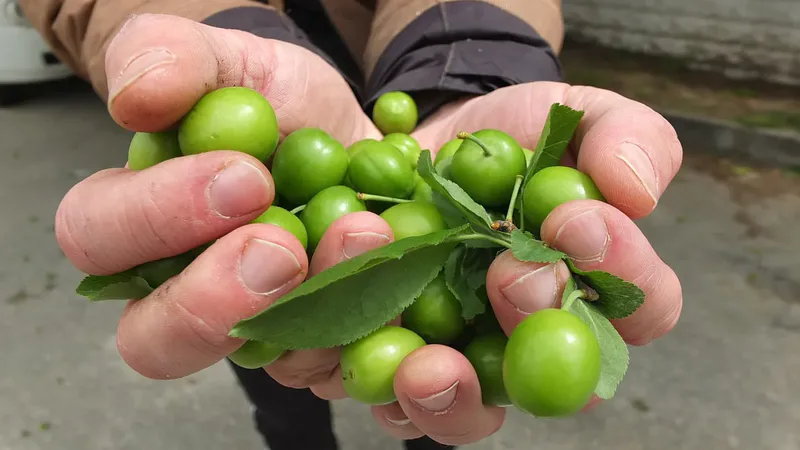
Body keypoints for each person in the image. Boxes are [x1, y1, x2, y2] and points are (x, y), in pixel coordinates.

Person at [17, 0, 685, 448]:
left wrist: (474, 60)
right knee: (264, 318)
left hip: (414, 72)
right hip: (284, 235)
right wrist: (213, 30)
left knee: (428, 381)